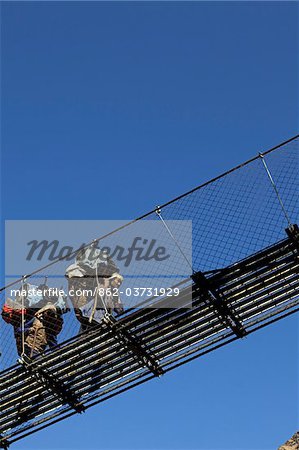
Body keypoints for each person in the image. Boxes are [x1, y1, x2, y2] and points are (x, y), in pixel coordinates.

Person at [65, 243, 123, 333]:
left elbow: (119, 307)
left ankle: (83, 332)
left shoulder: (112, 291)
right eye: (117, 280)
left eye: (120, 282)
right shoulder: (103, 283)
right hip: (94, 312)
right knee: (89, 323)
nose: (119, 283)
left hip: (99, 314)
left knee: (89, 325)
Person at [1, 281, 68, 358]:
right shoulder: (20, 317)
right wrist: (29, 330)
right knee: (42, 334)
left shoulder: (35, 302)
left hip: (45, 321)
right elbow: (19, 330)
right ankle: (55, 352)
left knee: (40, 328)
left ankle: (41, 354)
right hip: (41, 324)